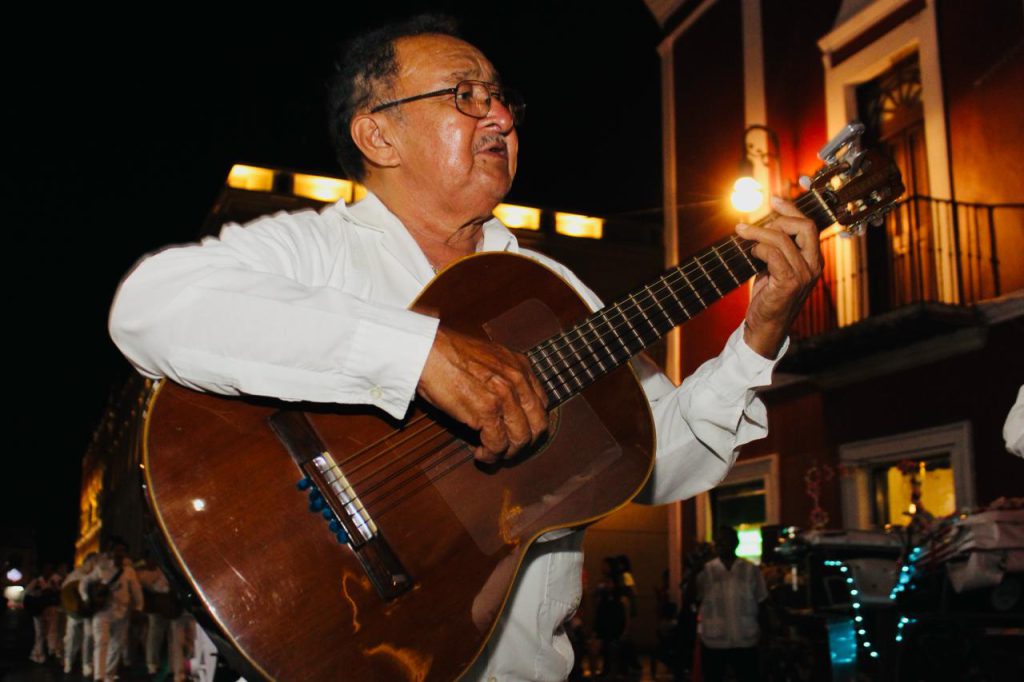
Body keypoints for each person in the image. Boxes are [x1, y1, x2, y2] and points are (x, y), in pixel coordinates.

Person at [107, 15, 821, 681]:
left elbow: (656, 456)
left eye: (502, 100)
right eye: (466, 97)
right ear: (379, 136)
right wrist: (418, 355)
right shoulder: (314, 248)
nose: (502, 118)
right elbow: (150, 308)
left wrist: (756, 340)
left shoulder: (547, 288)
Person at [695, 526, 768, 682]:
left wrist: (765, 636)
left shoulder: (750, 570)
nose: (720, 544)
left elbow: (762, 602)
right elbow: (693, 597)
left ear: (735, 543)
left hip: (745, 639)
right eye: (718, 541)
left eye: (724, 540)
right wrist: (696, 568)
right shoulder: (706, 570)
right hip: (714, 641)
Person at [81, 539, 144, 682]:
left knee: (117, 644)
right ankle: (99, 676)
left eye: (122, 551)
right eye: (117, 550)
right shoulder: (102, 568)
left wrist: (138, 607)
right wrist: (86, 598)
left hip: (122, 613)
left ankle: (109, 675)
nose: (119, 554)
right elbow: (84, 582)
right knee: (101, 642)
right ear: (111, 553)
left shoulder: (129, 571)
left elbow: (136, 590)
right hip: (102, 611)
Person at [62, 552, 98, 676]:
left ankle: (86, 664)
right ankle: (68, 661)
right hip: (75, 611)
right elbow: (66, 591)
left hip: (88, 611)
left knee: (89, 636)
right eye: (93, 561)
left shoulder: (94, 575)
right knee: (72, 637)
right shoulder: (76, 574)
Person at [26, 564, 62, 664]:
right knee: (40, 633)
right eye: (46, 569)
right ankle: (38, 654)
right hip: (39, 610)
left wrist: (55, 588)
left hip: (50, 609)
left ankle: (51, 652)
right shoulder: (37, 581)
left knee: (52, 631)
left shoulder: (54, 580)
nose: (48, 572)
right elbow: (27, 593)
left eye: (50, 570)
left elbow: (59, 592)